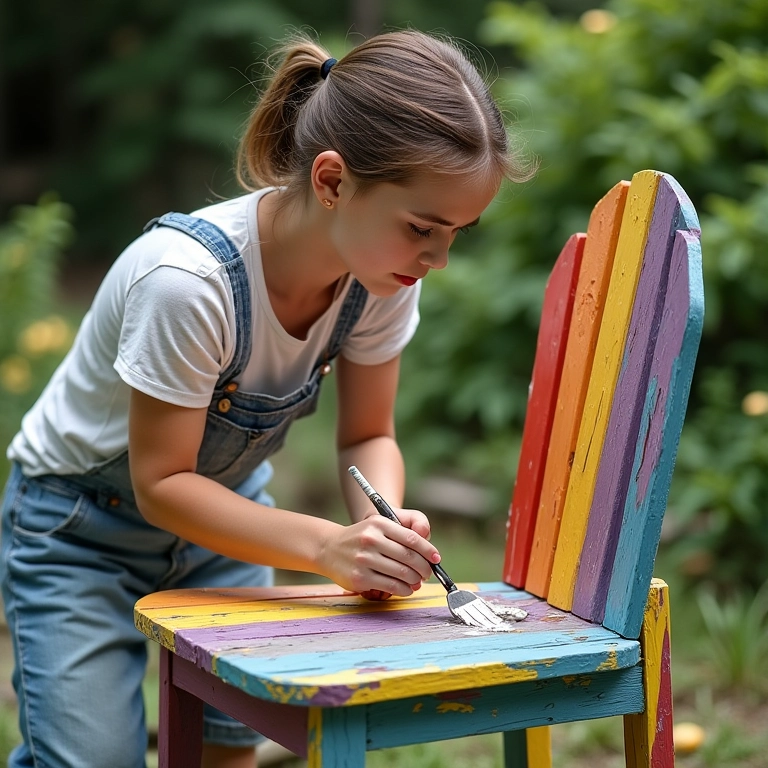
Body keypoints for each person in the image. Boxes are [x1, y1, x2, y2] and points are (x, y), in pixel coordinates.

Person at [0, 28, 531, 768]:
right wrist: (324, 548)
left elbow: (367, 436)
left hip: (224, 527)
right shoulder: (187, 284)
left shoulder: (379, 281)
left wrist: (383, 526)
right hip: (80, 534)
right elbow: (161, 484)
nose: (438, 258)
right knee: (91, 759)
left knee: (227, 751)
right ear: (332, 180)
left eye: (457, 234)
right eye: (422, 228)